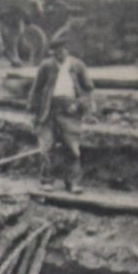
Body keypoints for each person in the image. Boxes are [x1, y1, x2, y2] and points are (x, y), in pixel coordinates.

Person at [27, 28, 95, 193]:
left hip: (70, 111)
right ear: (51, 52)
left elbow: (88, 90)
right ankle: (46, 181)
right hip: (48, 110)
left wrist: (79, 106)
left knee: (72, 148)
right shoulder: (46, 66)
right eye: (55, 51)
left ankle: (72, 183)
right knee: (46, 147)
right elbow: (36, 90)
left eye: (62, 50)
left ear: (67, 50)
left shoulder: (77, 66)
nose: (59, 54)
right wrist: (33, 113)